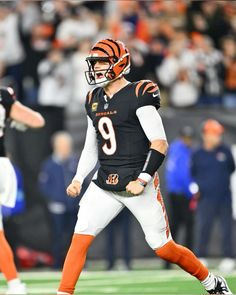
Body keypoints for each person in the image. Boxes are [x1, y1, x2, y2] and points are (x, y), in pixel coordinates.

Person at [57, 39, 232, 295]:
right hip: (104, 182)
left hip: (136, 182)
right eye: (94, 63)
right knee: (79, 238)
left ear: (120, 64)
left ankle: (212, 282)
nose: (96, 69)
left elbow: (159, 143)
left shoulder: (139, 93)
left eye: (102, 63)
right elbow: (90, 146)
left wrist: (142, 179)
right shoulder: (93, 98)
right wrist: (78, 178)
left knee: (163, 248)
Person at [0, 86, 45, 294]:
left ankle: (15, 285)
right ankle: (15, 284)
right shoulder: (2, 95)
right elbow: (37, 120)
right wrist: (10, 118)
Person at [192, 119, 235, 272]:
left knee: (227, 229)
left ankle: (229, 258)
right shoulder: (197, 154)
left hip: (224, 197)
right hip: (205, 198)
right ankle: (201, 256)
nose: (218, 137)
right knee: (203, 228)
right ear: (205, 135)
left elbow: (231, 168)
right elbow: (193, 173)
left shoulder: (225, 151)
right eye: (214, 133)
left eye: (219, 134)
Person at [38, 131, 79, 269]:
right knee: (58, 236)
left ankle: (73, 264)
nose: (65, 148)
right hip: (57, 208)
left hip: (73, 206)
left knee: (74, 237)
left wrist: (75, 199)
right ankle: (56, 264)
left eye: (67, 145)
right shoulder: (49, 164)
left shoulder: (75, 162)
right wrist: (58, 199)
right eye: (62, 145)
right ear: (55, 146)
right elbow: (44, 186)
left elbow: (82, 183)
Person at [164, 126, 197, 269]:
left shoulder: (176, 149)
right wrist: (192, 191)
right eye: (186, 137)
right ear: (181, 137)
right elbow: (182, 174)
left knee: (175, 227)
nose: (188, 140)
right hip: (181, 194)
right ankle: (188, 261)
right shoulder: (180, 150)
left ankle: (168, 262)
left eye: (189, 137)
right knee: (187, 225)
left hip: (175, 192)